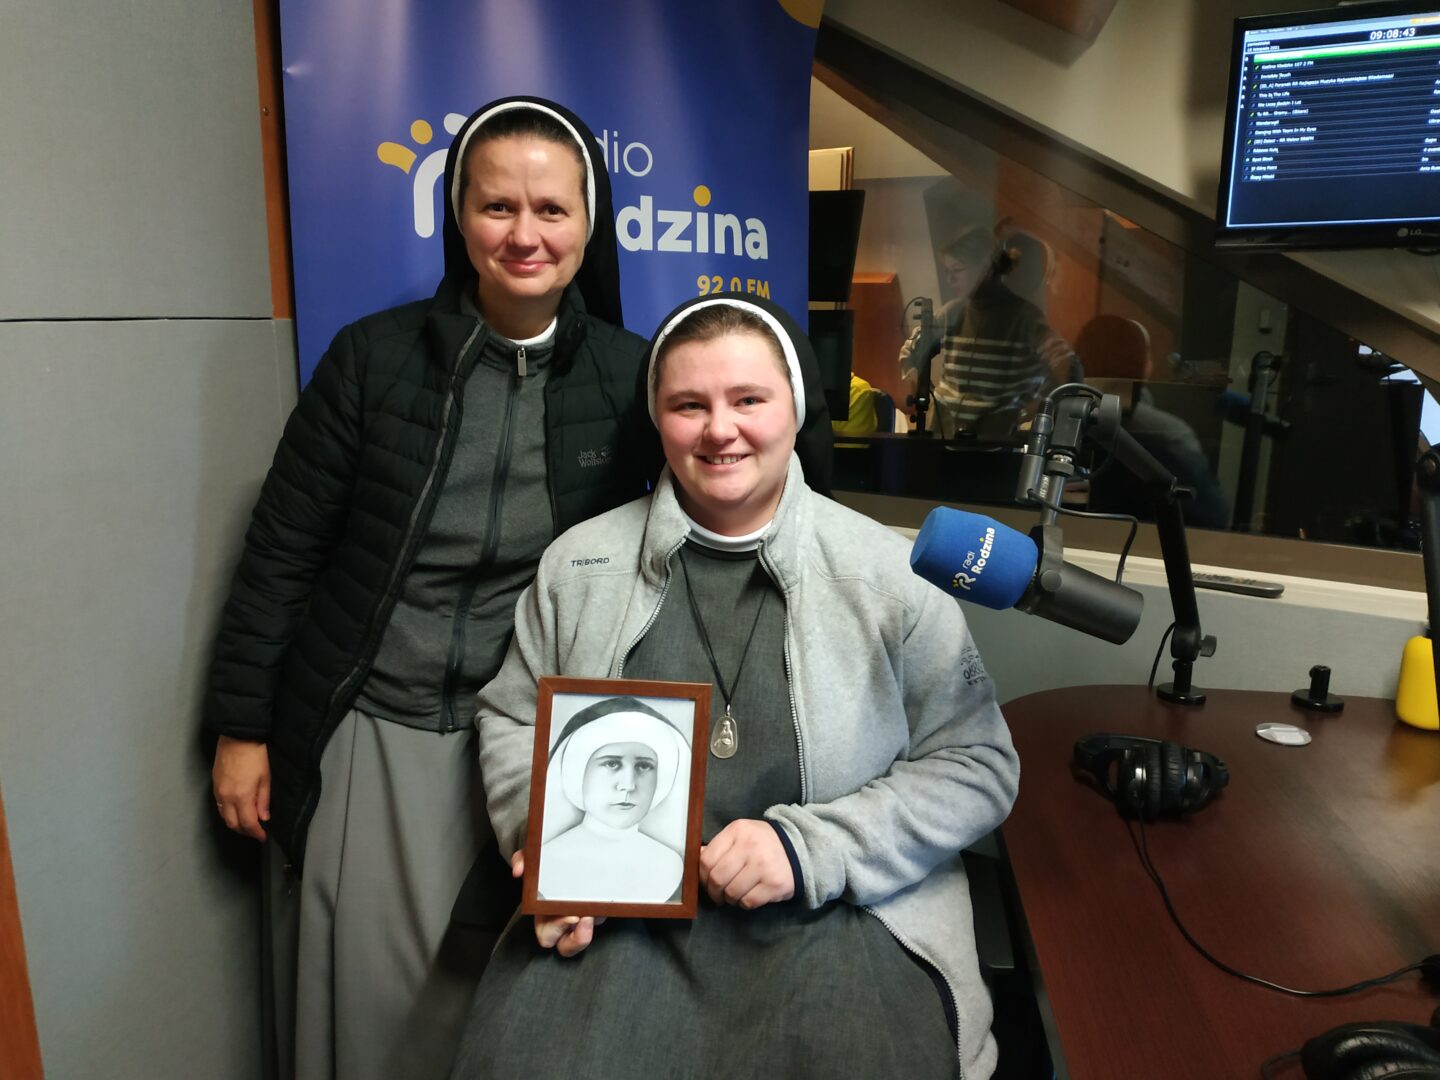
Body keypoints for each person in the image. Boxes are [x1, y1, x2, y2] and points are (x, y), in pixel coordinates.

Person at [452, 293, 1020, 1079]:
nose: (720, 429)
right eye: (690, 405)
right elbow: (514, 717)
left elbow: (976, 764)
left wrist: (808, 849)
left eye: (749, 400)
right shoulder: (577, 567)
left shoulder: (891, 576)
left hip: (835, 913)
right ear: (656, 418)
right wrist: (554, 850)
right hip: (623, 919)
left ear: (796, 410)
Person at [203, 95, 650, 1080]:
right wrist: (241, 727)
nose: (525, 235)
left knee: (517, 1018)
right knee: (370, 1017)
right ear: (458, 215)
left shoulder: (633, 379)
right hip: (380, 724)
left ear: (590, 223)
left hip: (534, 744)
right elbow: (282, 549)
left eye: (552, 209)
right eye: (498, 207)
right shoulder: (372, 360)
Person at [900, 225, 1080, 438]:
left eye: (957, 270)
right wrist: (928, 396)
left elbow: (1069, 369)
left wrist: (1030, 410)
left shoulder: (1024, 318)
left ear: (985, 269)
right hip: (944, 435)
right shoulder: (952, 312)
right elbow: (910, 351)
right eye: (947, 271)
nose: (950, 279)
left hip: (995, 440)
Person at [536, 696, 688, 904]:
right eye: (612, 764)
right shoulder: (547, 859)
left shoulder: (669, 864)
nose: (628, 784)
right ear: (578, 772)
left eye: (644, 766)